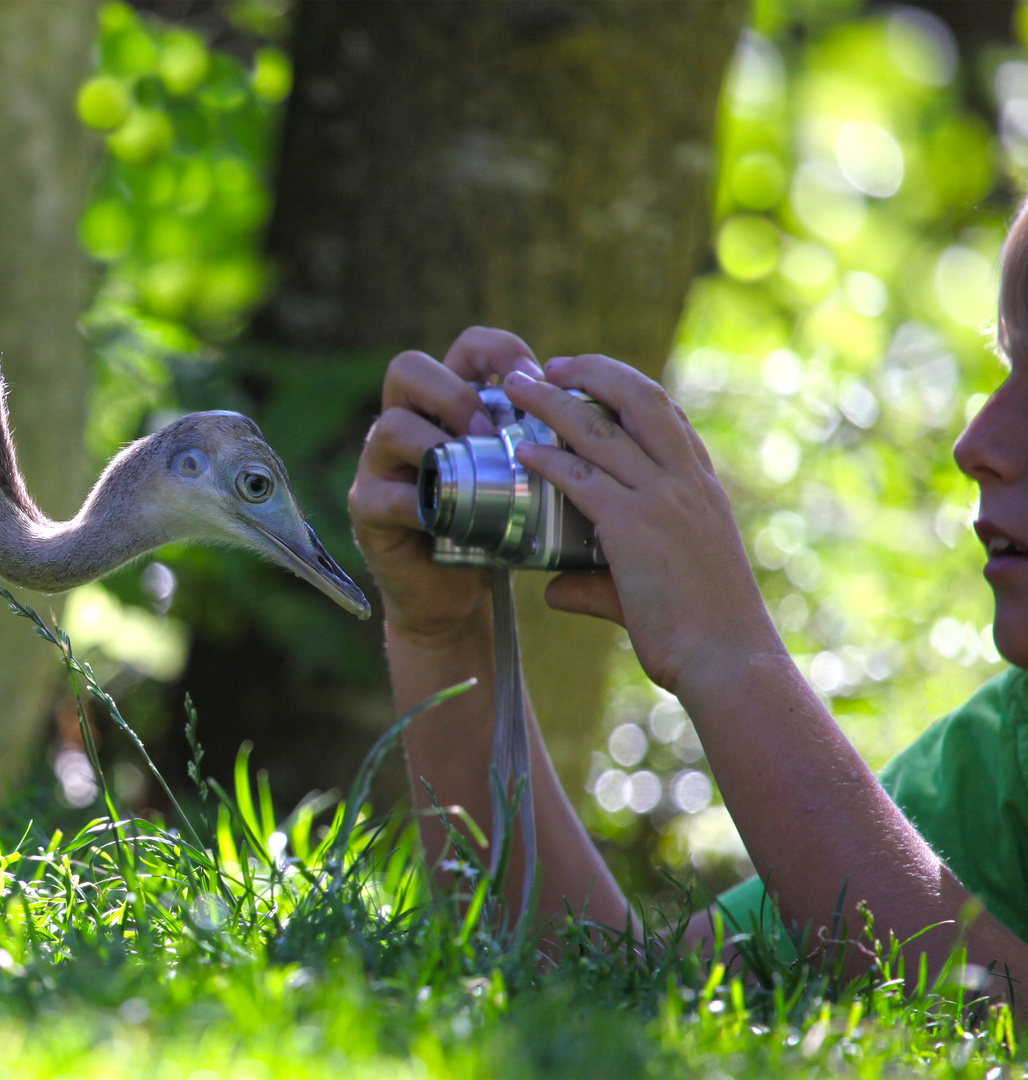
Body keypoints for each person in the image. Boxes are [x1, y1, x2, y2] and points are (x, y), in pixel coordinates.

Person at [347, 211, 1028, 991]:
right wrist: (448, 636)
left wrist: (731, 657)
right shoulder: (1006, 759)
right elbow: (600, 992)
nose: (977, 444)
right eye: (1005, 369)